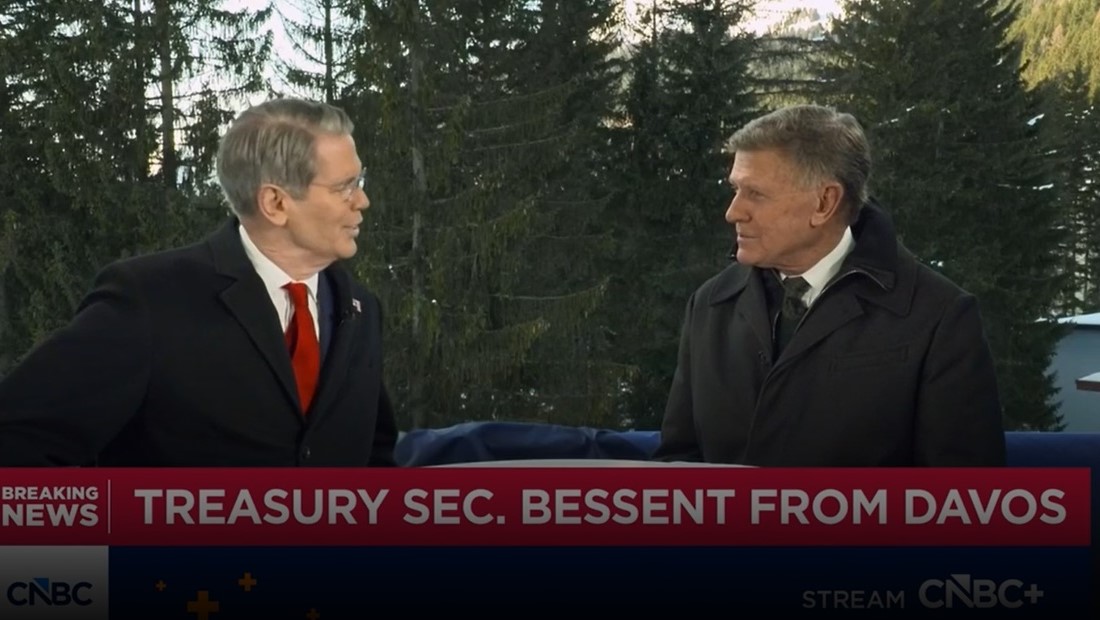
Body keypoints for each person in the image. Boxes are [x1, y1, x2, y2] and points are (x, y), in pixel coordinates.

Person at [0, 98, 397, 466]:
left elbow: (375, 462)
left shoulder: (360, 309)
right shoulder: (150, 300)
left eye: (359, 181)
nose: (362, 201)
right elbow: (20, 437)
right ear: (275, 203)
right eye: (344, 187)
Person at [654, 104, 1005, 466]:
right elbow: (678, 465)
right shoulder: (710, 304)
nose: (733, 212)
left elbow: (965, 493)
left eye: (755, 194)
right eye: (735, 189)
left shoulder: (940, 317)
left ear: (824, 202)